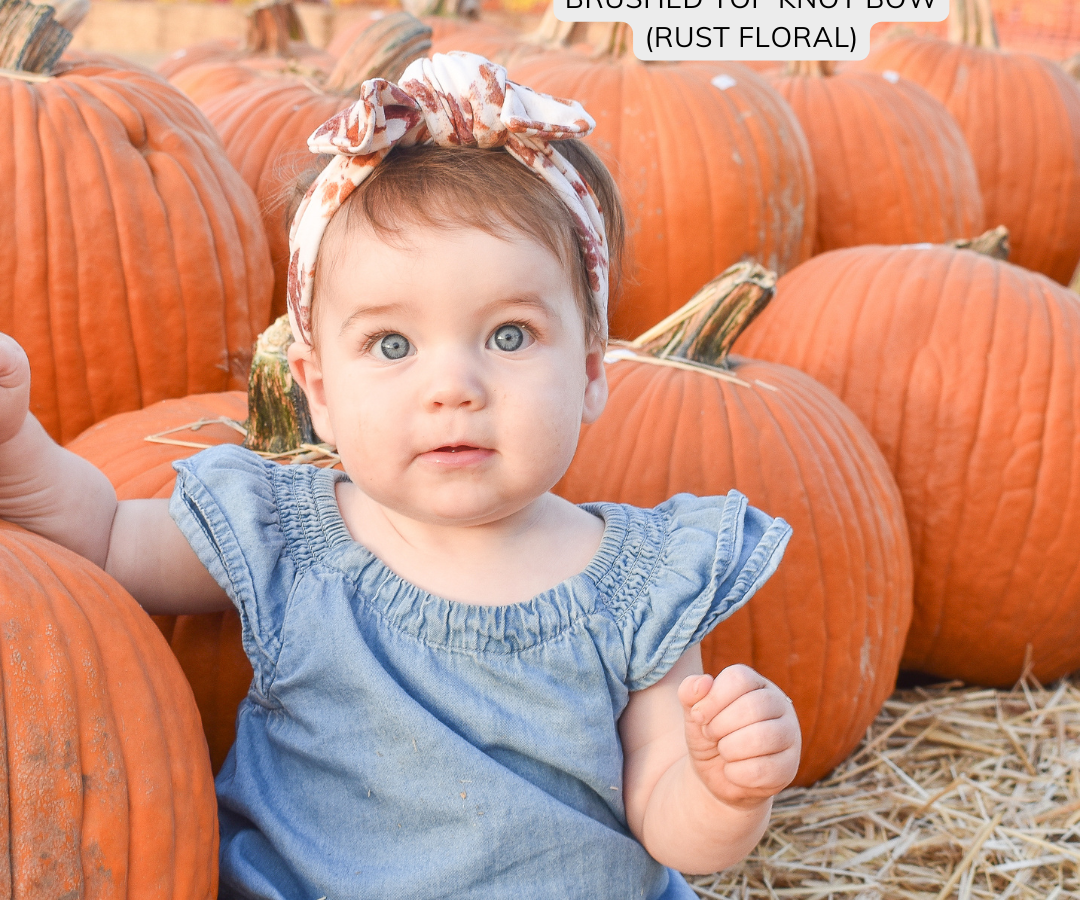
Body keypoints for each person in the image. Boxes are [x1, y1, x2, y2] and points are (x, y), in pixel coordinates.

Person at [0, 52, 801, 900]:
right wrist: (19, 445)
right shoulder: (287, 538)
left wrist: (724, 787)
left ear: (594, 371)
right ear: (319, 395)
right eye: (392, 346)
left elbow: (668, 820)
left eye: (509, 336)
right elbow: (107, 536)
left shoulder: (642, 582)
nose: (453, 387)